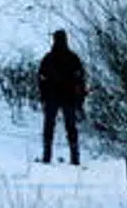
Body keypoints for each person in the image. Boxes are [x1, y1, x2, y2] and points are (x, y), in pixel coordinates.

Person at [38, 29, 86, 165]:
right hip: (68, 97)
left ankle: (47, 157)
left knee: (49, 127)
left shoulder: (48, 58)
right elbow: (80, 79)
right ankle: (75, 158)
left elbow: (41, 78)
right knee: (71, 127)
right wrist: (80, 99)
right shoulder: (73, 58)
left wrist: (42, 96)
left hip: (52, 97)